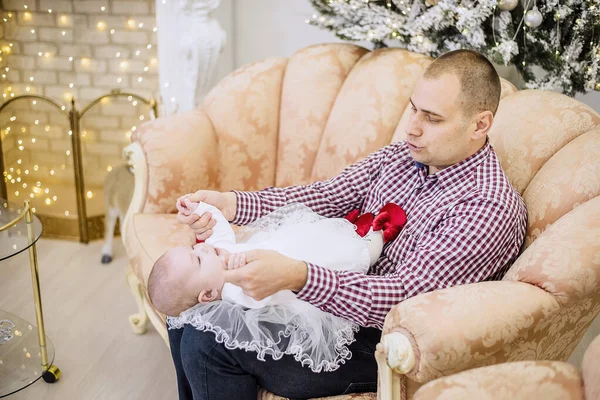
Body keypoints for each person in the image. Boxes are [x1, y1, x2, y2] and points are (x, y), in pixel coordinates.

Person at [168, 49, 528, 399]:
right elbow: (326, 195)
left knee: (209, 342)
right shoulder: (404, 157)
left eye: (432, 118)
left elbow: (404, 299)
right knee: (189, 311)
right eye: (413, 109)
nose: (412, 129)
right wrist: (231, 203)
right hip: (336, 305)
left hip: (386, 341)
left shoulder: (486, 206)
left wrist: (298, 276)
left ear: (480, 124)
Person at [149, 199, 405, 373]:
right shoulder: (236, 291)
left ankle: (363, 240)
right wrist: (239, 274)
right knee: (344, 256)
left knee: (317, 238)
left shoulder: (218, 254)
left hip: (289, 248)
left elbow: (220, 231)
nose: (202, 246)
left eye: (193, 248)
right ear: (208, 294)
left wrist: (201, 208)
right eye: (197, 258)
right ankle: (372, 243)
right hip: (299, 280)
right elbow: (260, 297)